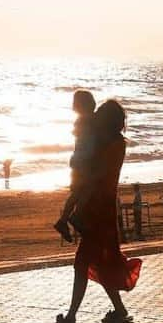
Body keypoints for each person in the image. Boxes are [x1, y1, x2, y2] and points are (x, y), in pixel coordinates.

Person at [55, 99, 142, 323]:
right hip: (99, 207)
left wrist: (76, 204)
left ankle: (72, 316)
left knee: (83, 262)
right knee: (100, 263)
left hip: (99, 209)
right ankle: (119, 310)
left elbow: (97, 176)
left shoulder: (112, 146)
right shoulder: (111, 143)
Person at [53, 90, 97, 244]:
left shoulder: (79, 120)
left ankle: (64, 219)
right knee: (88, 188)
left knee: (76, 192)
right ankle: (76, 216)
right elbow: (91, 143)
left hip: (77, 160)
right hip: (84, 161)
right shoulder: (89, 120)